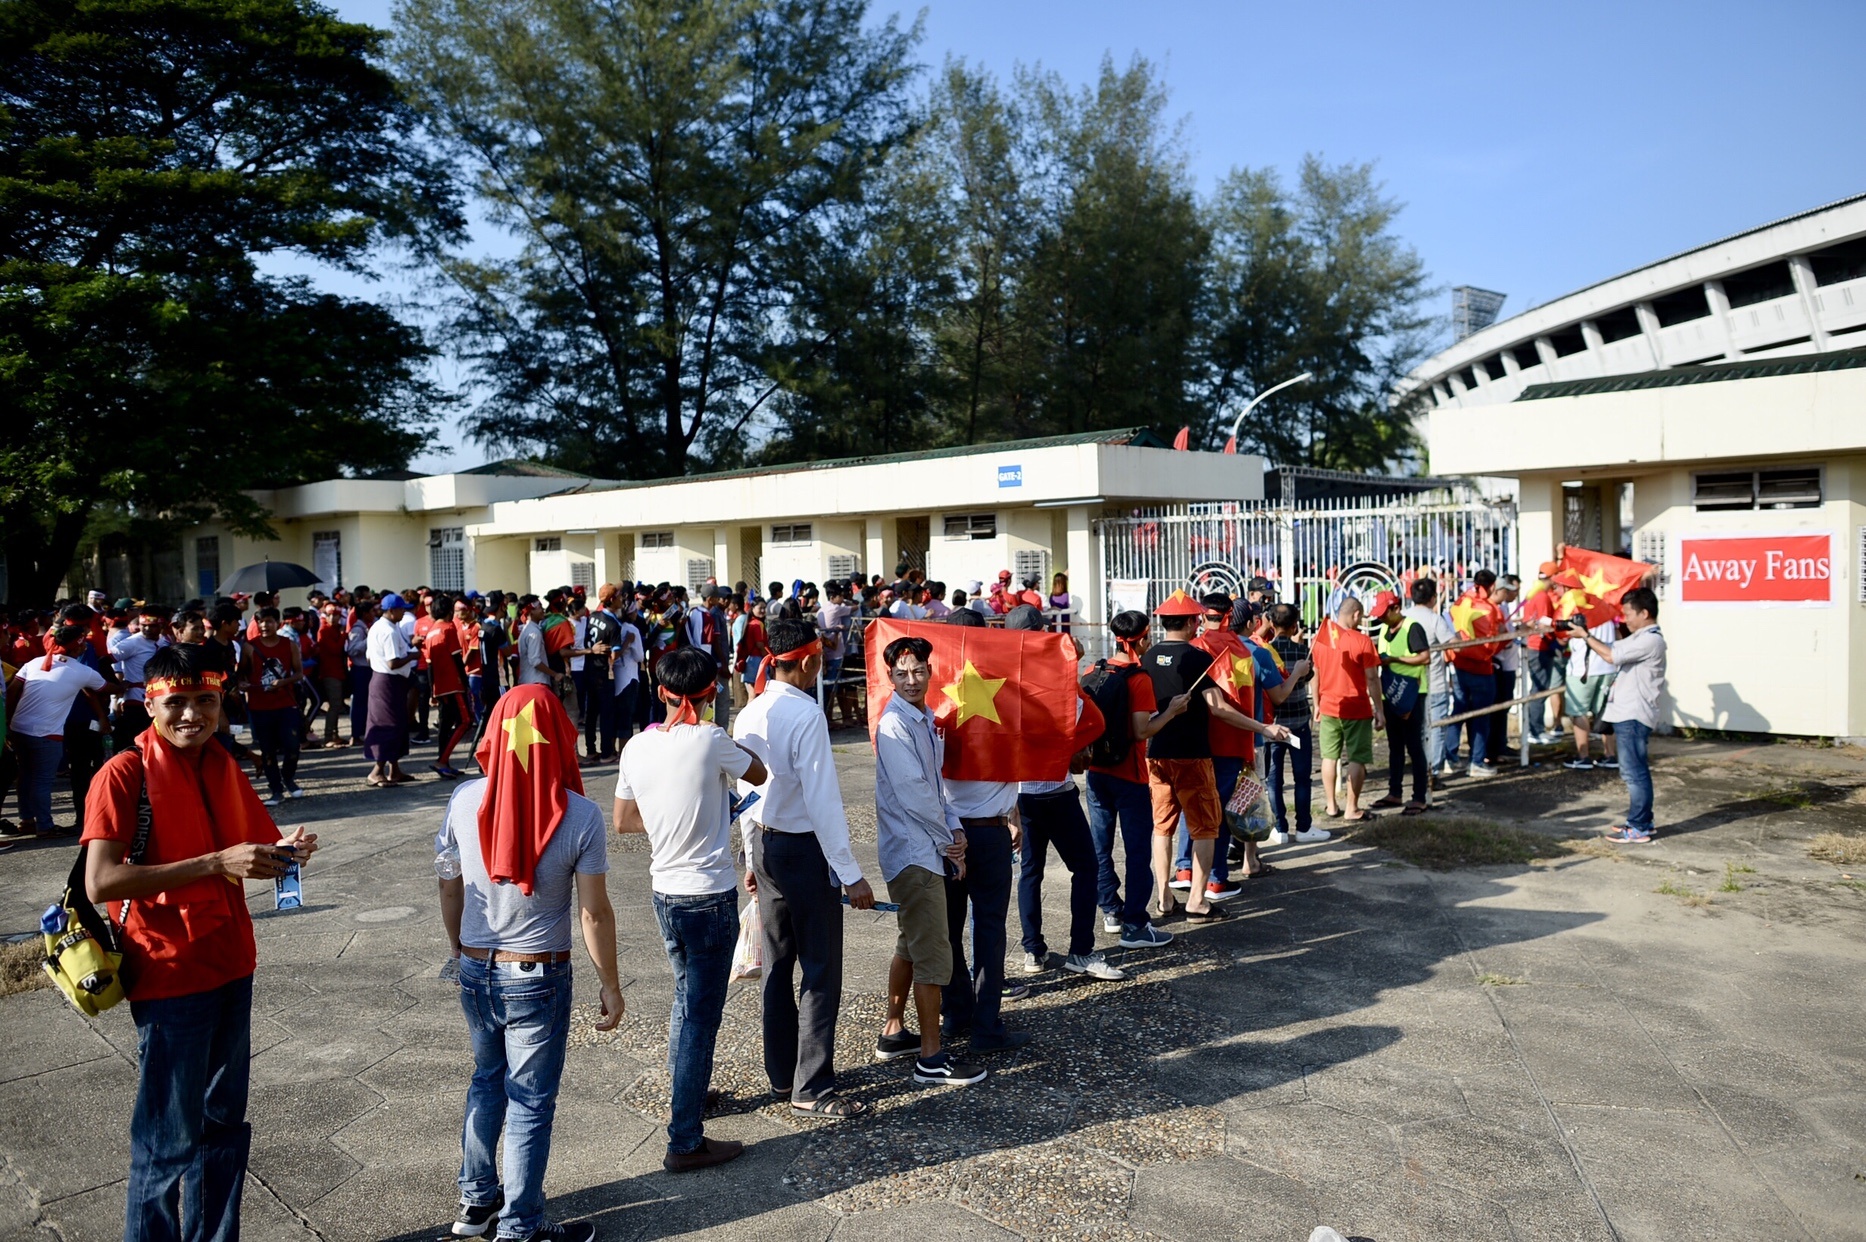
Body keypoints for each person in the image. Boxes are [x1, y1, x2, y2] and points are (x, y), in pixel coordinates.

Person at [81, 642, 318, 1242]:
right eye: (176, 703)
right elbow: (102, 879)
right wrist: (216, 862)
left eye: (205, 702)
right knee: (165, 1142)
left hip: (231, 962)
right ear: (148, 703)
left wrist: (284, 852)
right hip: (168, 973)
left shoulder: (220, 762)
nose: (192, 715)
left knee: (223, 1130)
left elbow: (249, 856)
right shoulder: (123, 774)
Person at [435, 684, 619, 1242]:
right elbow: (593, 913)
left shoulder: (464, 799)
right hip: (536, 971)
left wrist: (457, 949)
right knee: (530, 1102)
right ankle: (521, 1225)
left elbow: (449, 884)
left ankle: (476, 1204)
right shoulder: (580, 814)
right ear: (560, 735)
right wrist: (610, 984)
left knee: (486, 1082)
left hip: (475, 965)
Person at [614, 647, 767, 1171]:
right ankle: (684, 1140)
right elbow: (761, 773)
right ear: (711, 695)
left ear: (660, 691)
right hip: (709, 895)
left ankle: (691, 1094)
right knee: (700, 1017)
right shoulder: (711, 738)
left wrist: (678, 820)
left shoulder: (634, 747)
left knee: (686, 1005)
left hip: (665, 893)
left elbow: (624, 821)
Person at [732, 619, 876, 1118]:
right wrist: (849, 871)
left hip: (768, 848)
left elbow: (745, 797)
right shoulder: (806, 714)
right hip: (804, 851)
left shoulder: (748, 712)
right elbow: (823, 802)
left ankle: (781, 1073)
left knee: (778, 962)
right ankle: (811, 1084)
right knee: (819, 967)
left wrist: (751, 857)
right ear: (812, 661)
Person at [872, 635, 990, 1087]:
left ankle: (893, 1029)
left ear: (929, 671)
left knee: (911, 941)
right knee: (934, 955)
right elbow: (915, 794)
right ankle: (931, 1057)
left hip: (927, 844)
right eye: (900, 674)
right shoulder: (894, 725)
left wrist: (955, 829)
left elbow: (937, 788)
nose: (910, 680)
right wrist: (950, 841)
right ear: (889, 677)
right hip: (913, 850)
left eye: (918, 671)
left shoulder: (922, 719)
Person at [1141, 591, 1285, 922]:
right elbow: (1218, 709)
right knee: (1206, 827)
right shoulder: (1196, 658)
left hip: (1156, 754)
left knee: (1162, 828)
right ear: (1192, 622)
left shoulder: (1147, 659)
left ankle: (1164, 899)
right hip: (1192, 755)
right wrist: (1262, 729)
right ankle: (1197, 903)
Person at [1005, 608, 1121, 982]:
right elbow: (1077, 717)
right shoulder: (1054, 676)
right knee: (1085, 867)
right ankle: (1081, 951)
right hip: (1054, 789)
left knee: (1030, 873)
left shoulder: (1001, 677)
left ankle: (1033, 951)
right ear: (1042, 633)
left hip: (1019, 793)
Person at [934, 608, 1030, 1053]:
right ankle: (987, 1026)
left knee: (949, 929)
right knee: (988, 929)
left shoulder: (933, 698)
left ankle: (956, 1013)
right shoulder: (1010, 691)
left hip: (946, 833)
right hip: (987, 831)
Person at [1080, 611, 1179, 949]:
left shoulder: (1093, 671)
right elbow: (1142, 730)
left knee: (1100, 846)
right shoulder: (1139, 679)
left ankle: (1110, 910)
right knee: (1137, 851)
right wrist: (1172, 713)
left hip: (1097, 771)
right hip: (1131, 775)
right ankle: (1135, 924)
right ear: (1144, 637)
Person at [1573, 587, 1666, 843]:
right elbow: (1613, 646)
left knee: (1634, 773)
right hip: (1628, 713)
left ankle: (1637, 827)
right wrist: (1587, 633)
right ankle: (1643, 822)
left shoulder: (1651, 640)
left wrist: (1584, 636)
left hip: (1633, 715)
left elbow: (1611, 655)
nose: (1624, 619)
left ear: (1644, 613)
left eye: (1628, 613)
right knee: (1633, 771)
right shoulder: (1640, 636)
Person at [7, 615, 112, 835]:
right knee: (43, 780)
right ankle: (45, 826)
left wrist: (8, 721)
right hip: (46, 733)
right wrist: (127, 686)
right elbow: (105, 688)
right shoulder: (81, 671)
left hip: (18, 728)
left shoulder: (35, 663)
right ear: (77, 647)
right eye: (83, 641)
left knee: (25, 776)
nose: (86, 645)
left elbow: (13, 691)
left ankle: (27, 820)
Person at [1310, 597, 1385, 822]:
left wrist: (1316, 703)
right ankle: (1352, 808)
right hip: (1357, 707)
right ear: (1355, 614)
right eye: (1360, 616)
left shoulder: (1320, 639)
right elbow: (1372, 678)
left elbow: (1316, 675)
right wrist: (1379, 709)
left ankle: (1331, 806)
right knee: (1357, 758)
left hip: (1329, 706)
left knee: (1329, 757)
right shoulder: (1363, 641)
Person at [1264, 603, 1327, 846]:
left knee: (1273, 779)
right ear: (1294, 626)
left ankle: (1279, 827)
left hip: (1273, 726)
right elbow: (1309, 676)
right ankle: (1304, 826)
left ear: (1271, 623)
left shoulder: (1265, 651)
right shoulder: (1302, 653)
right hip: (1299, 722)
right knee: (1302, 776)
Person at [1369, 591, 1431, 815]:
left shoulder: (1412, 627)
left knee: (1414, 746)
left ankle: (1419, 797)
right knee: (1394, 746)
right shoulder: (1386, 628)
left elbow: (1425, 657)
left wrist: (1395, 660)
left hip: (1412, 693)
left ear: (1396, 608)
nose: (1381, 619)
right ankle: (1394, 792)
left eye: (1384, 614)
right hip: (1390, 694)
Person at [243, 608, 306, 806]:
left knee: (292, 746)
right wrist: (242, 684)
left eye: (269, 621)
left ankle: (288, 777)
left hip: (286, 703)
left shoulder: (289, 644)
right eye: (260, 622)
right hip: (259, 706)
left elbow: (299, 674)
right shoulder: (249, 647)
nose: (264, 626)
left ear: (278, 623)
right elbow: (241, 675)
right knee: (267, 750)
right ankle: (275, 789)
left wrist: (283, 682)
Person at [1447, 570, 1505, 778]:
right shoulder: (1489, 609)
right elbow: (1492, 643)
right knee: (1481, 716)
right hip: (1481, 667)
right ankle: (1477, 761)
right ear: (1491, 586)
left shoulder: (1461, 601)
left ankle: (1449, 757)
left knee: (1459, 711)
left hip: (1459, 663)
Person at [1403, 579, 1458, 786]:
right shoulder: (1435, 619)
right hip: (1434, 683)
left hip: (1408, 685)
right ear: (1433, 598)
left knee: (1416, 730)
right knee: (1436, 728)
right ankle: (1431, 772)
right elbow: (1454, 645)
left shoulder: (1404, 617)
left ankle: (1419, 770)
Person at [365, 593, 419, 787]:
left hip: (387, 680)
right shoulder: (388, 631)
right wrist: (414, 655)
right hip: (387, 680)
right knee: (387, 724)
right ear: (391, 610)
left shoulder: (379, 627)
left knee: (398, 724)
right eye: (401, 609)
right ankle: (376, 771)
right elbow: (393, 662)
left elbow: (371, 657)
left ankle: (394, 769)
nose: (404, 612)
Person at [1564, 602, 1621, 772]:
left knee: (1578, 712)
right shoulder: (1608, 608)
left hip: (1582, 669)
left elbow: (1562, 636)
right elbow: (1617, 634)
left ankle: (1583, 757)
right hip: (1608, 667)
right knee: (1605, 711)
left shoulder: (1575, 609)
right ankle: (1610, 755)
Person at [111, 602, 171, 751]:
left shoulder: (165, 643)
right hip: (136, 700)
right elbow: (104, 661)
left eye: (152, 626)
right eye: (143, 625)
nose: (147, 629)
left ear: (162, 626)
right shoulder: (131, 643)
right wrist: (116, 687)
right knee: (133, 743)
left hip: (160, 699)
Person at [425, 596, 473, 779]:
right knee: (465, 721)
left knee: (445, 724)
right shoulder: (448, 628)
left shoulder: (430, 632)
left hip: (440, 686)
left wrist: (432, 691)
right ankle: (442, 761)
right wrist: (465, 682)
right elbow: (457, 659)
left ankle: (444, 761)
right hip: (454, 684)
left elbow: (429, 666)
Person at [1488, 574, 1523, 761]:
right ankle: (1493, 749)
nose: (1514, 594)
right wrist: (1514, 634)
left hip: (1507, 663)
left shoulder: (1502, 608)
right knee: (1497, 708)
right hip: (1500, 663)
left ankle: (1499, 746)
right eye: (1510, 590)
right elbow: (1498, 638)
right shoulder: (1493, 609)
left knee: (1503, 707)